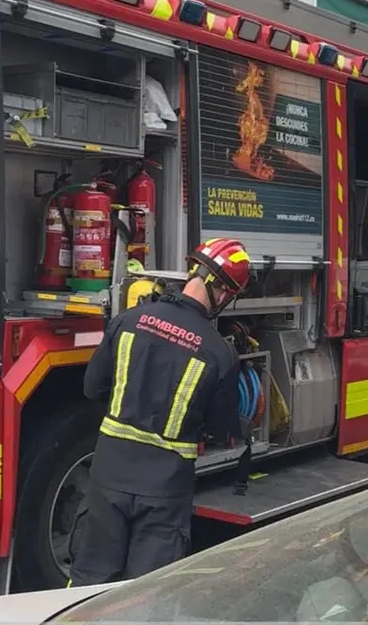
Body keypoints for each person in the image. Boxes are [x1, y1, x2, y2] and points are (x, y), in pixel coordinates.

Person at [67, 237, 252, 586]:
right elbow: (220, 431)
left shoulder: (129, 320)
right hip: (165, 493)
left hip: (108, 478)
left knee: (88, 586)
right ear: (223, 292)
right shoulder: (218, 352)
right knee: (148, 595)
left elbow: (93, 388)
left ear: (194, 273)